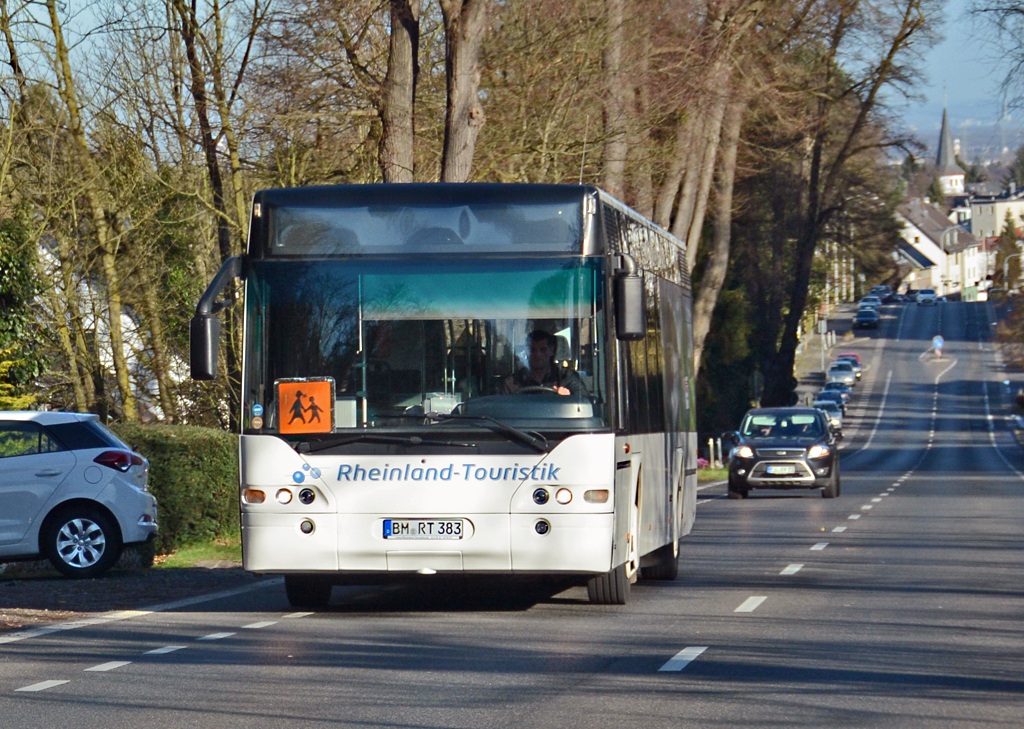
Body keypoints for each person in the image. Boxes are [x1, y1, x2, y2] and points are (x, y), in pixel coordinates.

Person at [503, 330, 587, 397]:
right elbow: (501, 410)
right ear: (527, 352)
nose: (538, 355)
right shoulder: (514, 382)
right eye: (533, 350)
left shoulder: (567, 378)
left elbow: (585, 405)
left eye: (543, 350)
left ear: (552, 351)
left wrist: (568, 399)